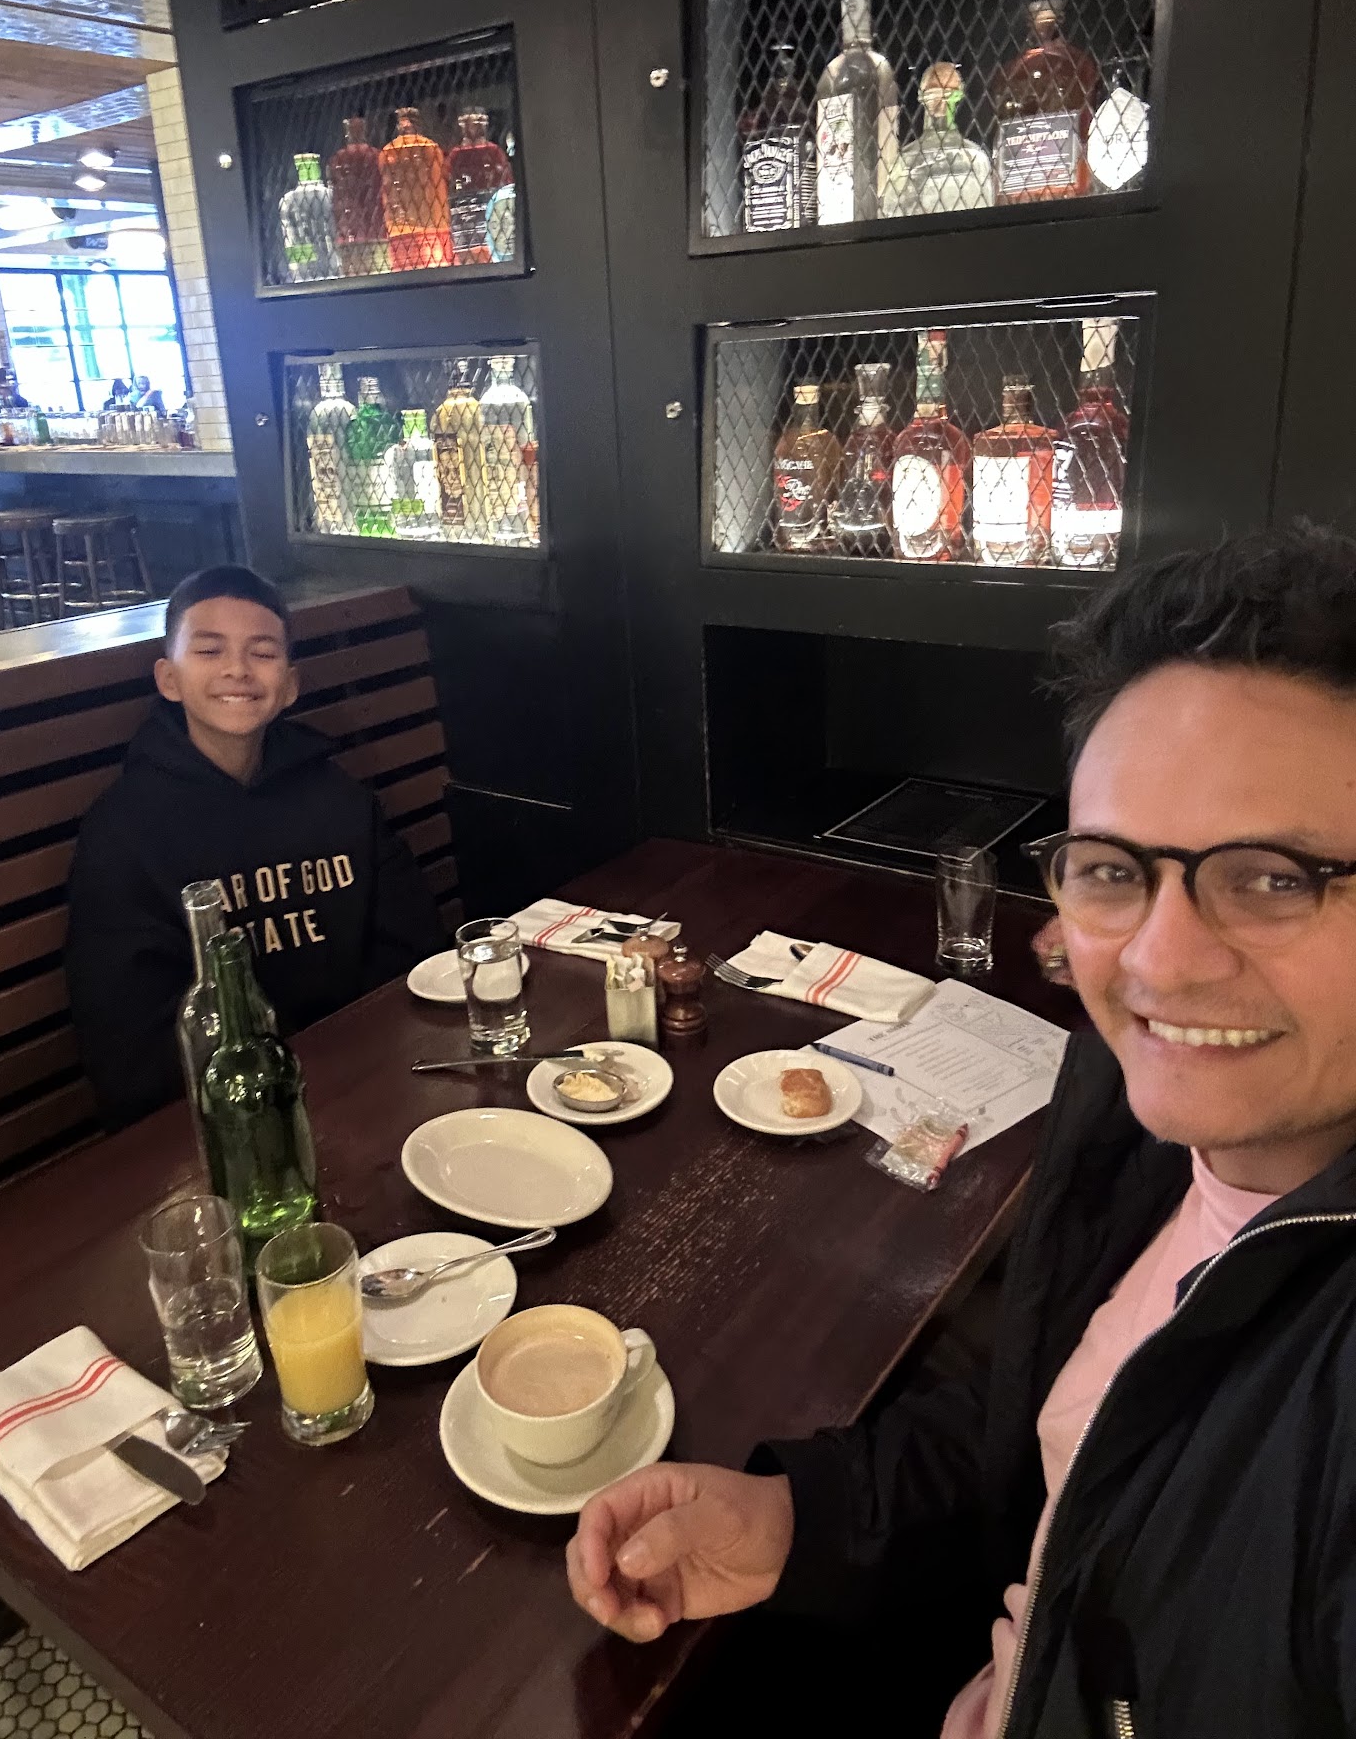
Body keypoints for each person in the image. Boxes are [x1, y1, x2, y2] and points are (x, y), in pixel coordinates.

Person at [568, 522, 1356, 1738]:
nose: (1161, 960)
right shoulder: (1143, 1119)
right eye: (1114, 870)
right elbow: (1061, 1412)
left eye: (1272, 878)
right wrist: (802, 1521)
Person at [65, 564, 445, 1131]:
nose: (238, 670)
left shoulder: (339, 799)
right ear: (169, 678)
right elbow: (129, 1048)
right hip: (226, 1120)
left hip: (365, 1082)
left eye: (262, 652)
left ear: (290, 685)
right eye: (209, 650)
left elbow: (412, 948)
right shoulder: (123, 833)